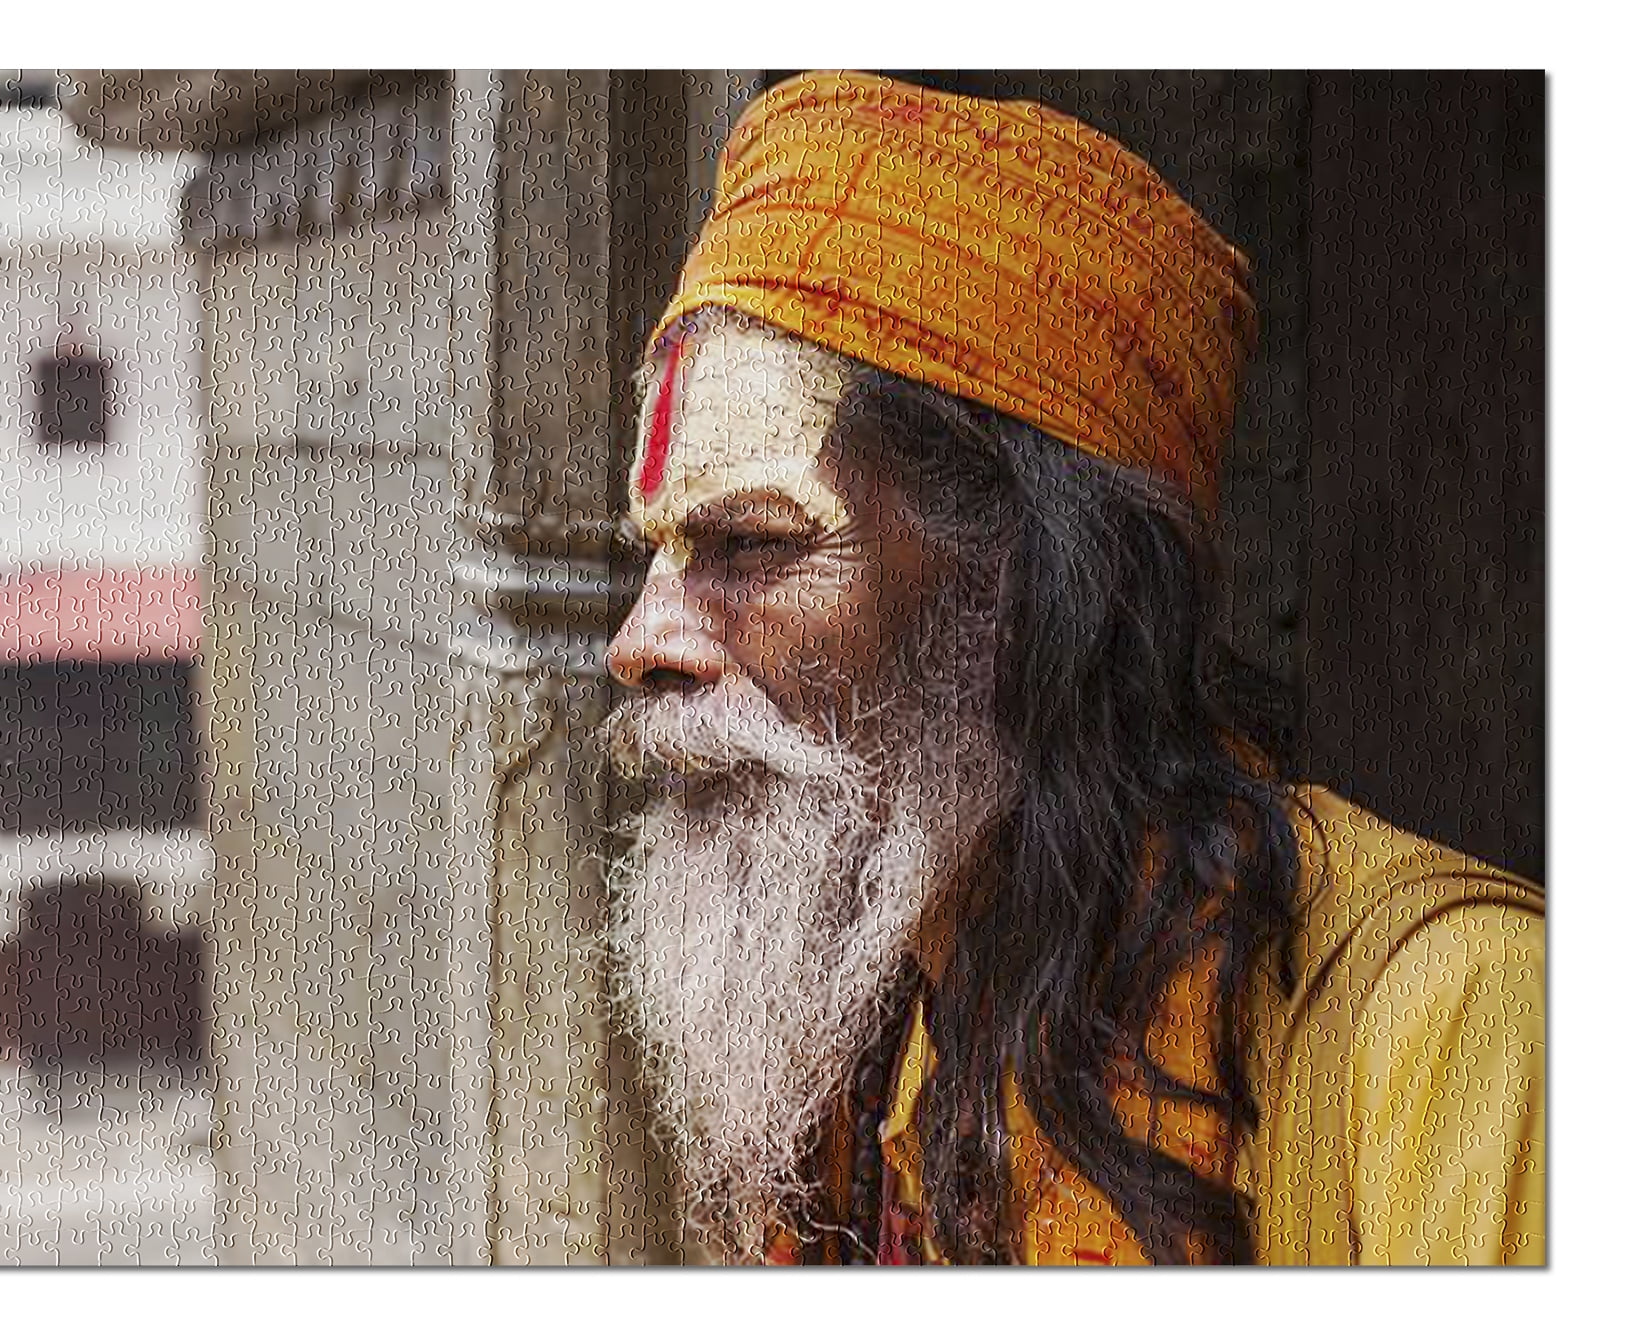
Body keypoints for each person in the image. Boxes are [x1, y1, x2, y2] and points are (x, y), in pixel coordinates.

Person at [599, 71, 1543, 1266]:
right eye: (659, 557)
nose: (638, 643)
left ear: (1024, 585)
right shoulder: (876, 1041)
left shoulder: (1462, 1027)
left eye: (748, 545)